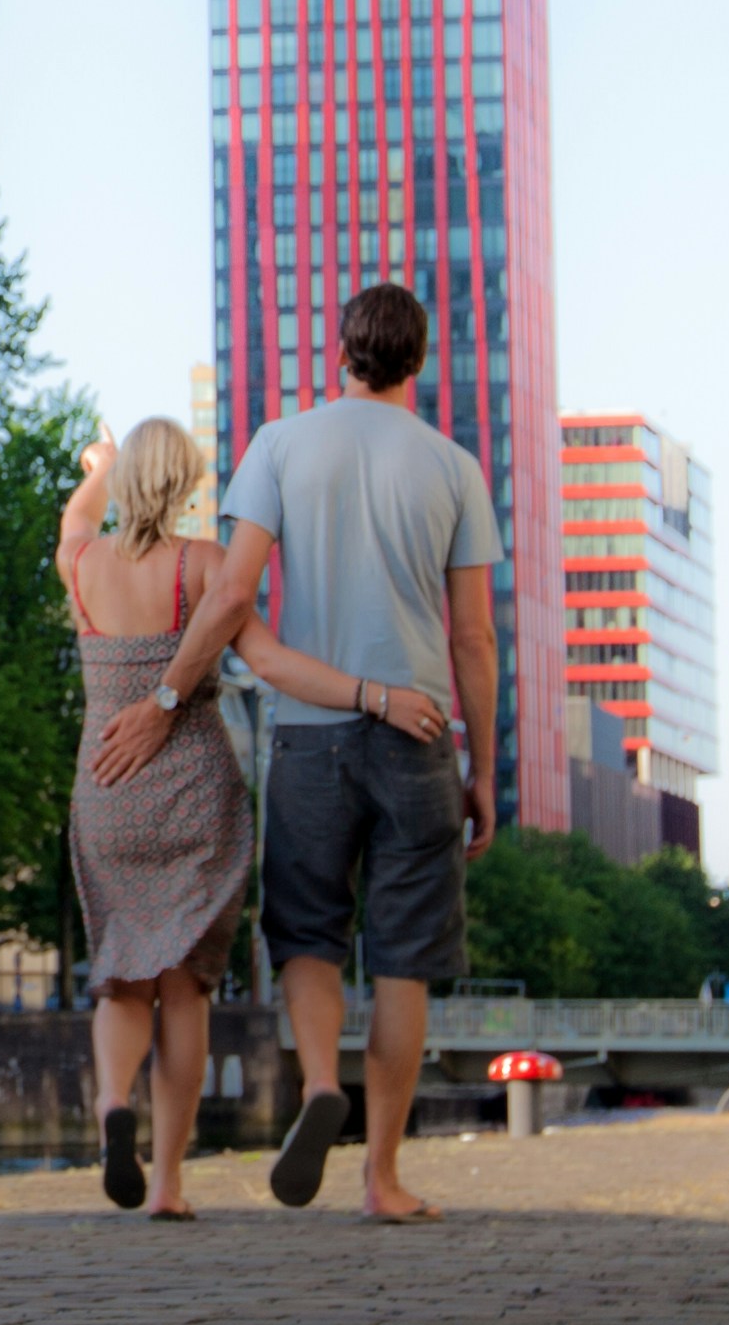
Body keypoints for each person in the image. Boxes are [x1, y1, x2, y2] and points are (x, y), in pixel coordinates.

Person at [93, 283, 497, 1223]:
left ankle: (321, 1081)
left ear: (341, 353)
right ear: (417, 362)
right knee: (402, 960)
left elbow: (232, 594)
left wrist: (162, 699)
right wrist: (481, 768)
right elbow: (474, 637)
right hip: (418, 733)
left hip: (310, 736)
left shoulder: (278, 445)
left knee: (308, 932)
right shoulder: (455, 468)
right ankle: (382, 1178)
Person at [57, 415, 447, 1217]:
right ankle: (166, 1185)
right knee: (185, 988)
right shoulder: (204, 565)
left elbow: (75, 517)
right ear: (187, 484)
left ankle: (111, 1107)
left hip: (107, 786)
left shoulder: (81, 563)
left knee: (120, 976)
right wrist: (375, 696)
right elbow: (269, 663)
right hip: (193, 792)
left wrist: (98, 466)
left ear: (127, 483)